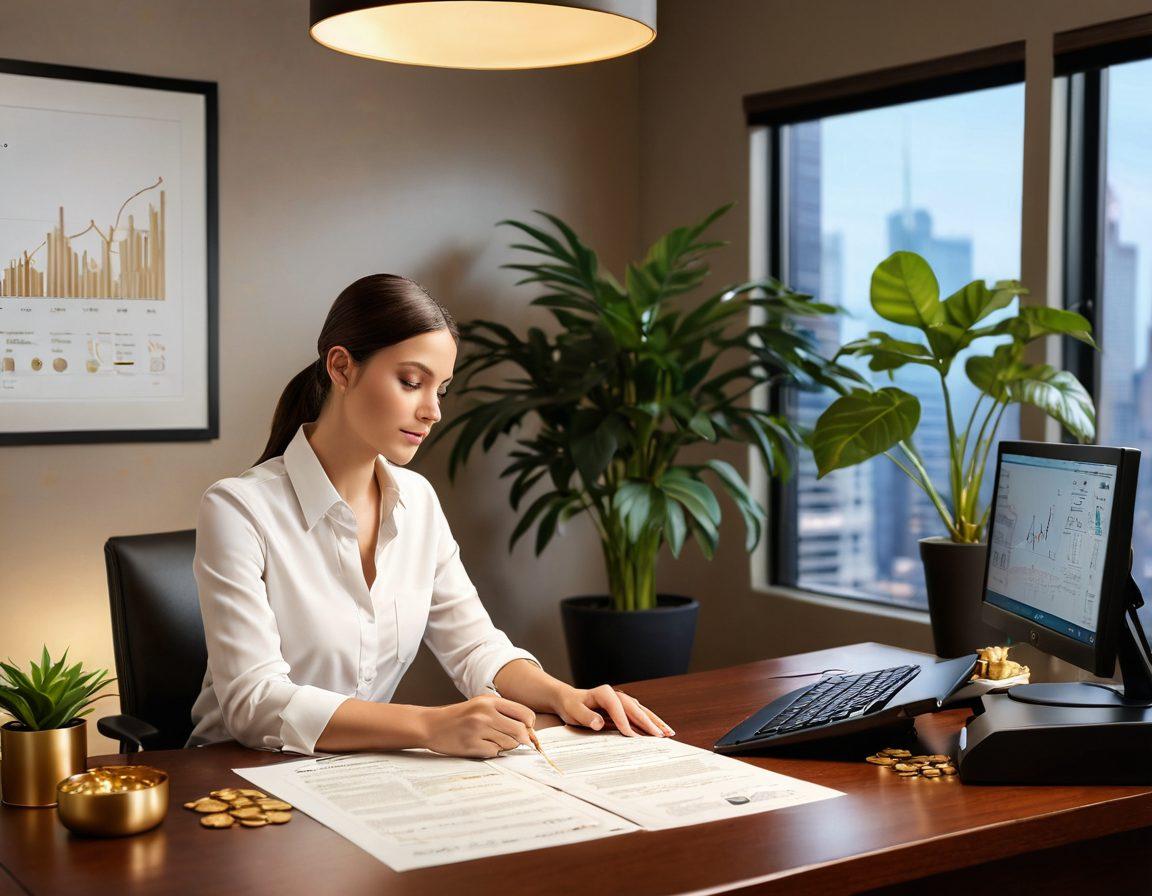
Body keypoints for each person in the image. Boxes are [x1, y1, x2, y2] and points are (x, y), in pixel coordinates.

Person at [187, 274, 675, 757]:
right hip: (234, 779)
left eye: (440, 389)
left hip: (355, 778)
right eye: (412, 382)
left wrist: (566, 696)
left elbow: (475, 647)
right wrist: (428, 725)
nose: (433, 411)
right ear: (341, 367)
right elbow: (254, 704)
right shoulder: (238, 509)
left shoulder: (417, 502)